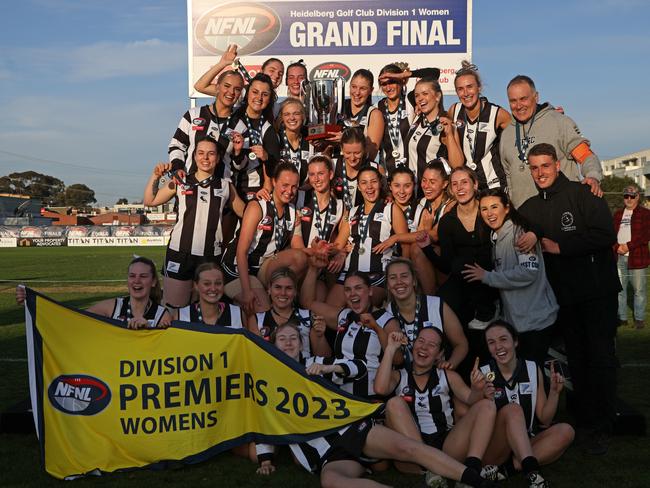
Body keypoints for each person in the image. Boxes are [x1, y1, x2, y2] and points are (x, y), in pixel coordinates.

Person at [256, 322, 496, 488]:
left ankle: (477, 481)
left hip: (349, 428)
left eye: (293, 338)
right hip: (325, 453)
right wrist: (265, 459)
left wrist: (329, 368)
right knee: (330, 482)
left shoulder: (316, 362)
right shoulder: (269, 383)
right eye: (282, 339)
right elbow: (263, 421)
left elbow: (358, 368)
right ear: (274, 344)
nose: (288, 343)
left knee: (408, 447)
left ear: (301, 343)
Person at [518, 143, 620, 455]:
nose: (540, 173)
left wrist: (562, 246)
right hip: (564, 299)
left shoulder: (583, 193)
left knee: (601, 358)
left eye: (545, 166)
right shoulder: (531, 208)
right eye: (534, 168)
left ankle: (604, 425)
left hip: (597, 293)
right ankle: (585, 421)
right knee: (577, 360)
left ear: (558, 164)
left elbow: (605, 235)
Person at [374, 328, 499, 483]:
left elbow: (471, 399)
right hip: (411, 454)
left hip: (446, 447)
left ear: (439, 355)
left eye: (432, 345)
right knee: (394, 403)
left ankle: (472, 468)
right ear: (413, 345)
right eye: (420, 341)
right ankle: (433, 468)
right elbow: (379, 389)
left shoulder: (447, 376)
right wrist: (391, 348)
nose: (424, 347)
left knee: (487, 406)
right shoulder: (399, 375)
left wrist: (477, 389)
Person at [144, 138, 246, 307]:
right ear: (194, 156)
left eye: (211, 153)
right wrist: (155, 176)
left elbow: (246, 213)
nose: (205, 158)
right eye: (201, 153)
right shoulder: (180, 181)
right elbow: (150, 200)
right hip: (179, 252)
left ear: (218, 158)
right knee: (174, 309)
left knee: (208, 311)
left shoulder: (225, 186)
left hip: (210, 256)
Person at [462, 189, 558, 366]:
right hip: (518, 323)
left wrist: (487, 277)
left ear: (506, 208)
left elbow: (528, 273)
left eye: (494, 207)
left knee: (534, 378)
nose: (489, 213)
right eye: (484, 209)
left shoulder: (519, 233)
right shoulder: (496, 237)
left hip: (536, 321)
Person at [479, 321, 574, 488]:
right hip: (495, 449)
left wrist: (554, 393)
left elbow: (544, 419)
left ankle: (508, 470)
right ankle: (532, 473)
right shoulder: (483, 373)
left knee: (566, 431)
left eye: (503, 339)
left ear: (515, 341)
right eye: (491, 342)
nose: (498, 346)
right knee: (513, 410)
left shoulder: (532, 368)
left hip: (526, 443)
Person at [425, 167, 499, 370]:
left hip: (492, 278)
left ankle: (488, 369)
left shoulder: (488, 210)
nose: (460, 188)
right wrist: (427, 250)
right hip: (462, 279)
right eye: (455, 184)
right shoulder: (448, 222)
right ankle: (456, 369)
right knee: (443, 303)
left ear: (475, 185)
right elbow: (448, 264)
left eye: (464, 182)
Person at [302, 258, 400, 399]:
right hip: (340, 396)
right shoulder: (343, 315)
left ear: (370, 291)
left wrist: (376, 328)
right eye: (348, 290)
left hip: (370, 397)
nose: (352, 294)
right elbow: (308, 303)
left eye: (358, 288)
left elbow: (398, 360)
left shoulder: (387, 320)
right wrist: (312, 268)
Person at [499, 75, 603, 208]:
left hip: (562, 213)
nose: (518, 106)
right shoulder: (507, 134)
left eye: (523, 99)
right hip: (524, 218)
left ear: (536, 97)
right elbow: (509, 177)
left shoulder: (559, 122)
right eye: (513, 101)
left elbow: (585, 155)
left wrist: (593, 176)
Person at [221, 162, 307, 315]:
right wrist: (247, 291)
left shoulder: (293, 212)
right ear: (274, 182)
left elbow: (299, 251)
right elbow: (241, 252)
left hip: (263, 269)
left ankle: (285, 297)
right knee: (262, 310)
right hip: (237, 269)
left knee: (301, 258)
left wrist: (316, 250)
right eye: (285, 185)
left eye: (294, 186)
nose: (289, 191)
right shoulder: (257, 207)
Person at [328, 165, 409, 307]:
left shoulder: (391, 208)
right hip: (350, 273)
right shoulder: (351, 212)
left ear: (380, 183)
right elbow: (339, 244)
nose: (369, 187)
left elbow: (405, 244)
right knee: (330, 311)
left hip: (377, 275)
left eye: (373, 182)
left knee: (361, 310)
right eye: (364, 183)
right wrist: (336, 251)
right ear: (358, 187)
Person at [16, 256, 171, 329]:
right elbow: (73, 319)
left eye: (143, 276)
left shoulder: (161, 315)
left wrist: (149, 330)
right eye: (132, 276)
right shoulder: (112, 307)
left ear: (154, 282)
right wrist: (31, 302)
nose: (136, 281)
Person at [383, 258, 468, 371]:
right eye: (393, 277)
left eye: (404, 276)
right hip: (402, 382)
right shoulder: (385, 314)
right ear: (388, 285)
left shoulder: (436, 305)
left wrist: (449, 366)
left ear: (414, 280)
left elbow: (461, 344)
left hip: (437, 379)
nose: (399, 282)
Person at [169, 57, 244, 176]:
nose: (231, 92)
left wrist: (238, 152)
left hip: (221, 190)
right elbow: (176, 146)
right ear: (217, 87)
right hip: (189, 186)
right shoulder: (193, 115)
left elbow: (240, 166)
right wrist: (177, 168)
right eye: (227, 86)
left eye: (237, 89)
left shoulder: (241, 125)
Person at [449, 61, 511, 190]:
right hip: (467, 188)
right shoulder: (454, 111)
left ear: (479, 87)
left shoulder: (497, 114)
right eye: (460, 89)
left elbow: (520, 130)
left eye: (470, 87)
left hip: (494, 186)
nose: (466, 93)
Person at [292, 155, 345, 301]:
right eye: (312, 175)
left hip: (320, 265)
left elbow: (340, 241)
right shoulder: (299, 197)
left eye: (321, 174)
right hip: (300, 260)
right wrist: (311, 252)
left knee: (318, 301)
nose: (316, 179)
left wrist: (341, 253)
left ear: (331, 174)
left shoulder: (340, 206)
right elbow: (294, 239)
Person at [250, 267, 331, 357]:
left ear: (295, 291)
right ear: (269, 289)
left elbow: (324, 358)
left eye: (288, 288)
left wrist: (320, 336)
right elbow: (254, 355)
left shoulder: (307, 316)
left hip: (302, 369)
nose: (283, 293)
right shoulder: (257, 319)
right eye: (278, 287)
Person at [227, 73, 281, 202]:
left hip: (255, 193)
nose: (259, 98)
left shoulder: (268, 129)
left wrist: (266, 157)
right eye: (255, 92)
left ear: (270, 99)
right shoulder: (232, 118)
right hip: (228, 188)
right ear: (247, 93)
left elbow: (275, 167)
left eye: (265, 94)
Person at [404, 77, 464, 191]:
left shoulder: (445, 124)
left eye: (425, 94)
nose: (420, 98)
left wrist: (450, 135)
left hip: (433, 192)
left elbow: (458, 165)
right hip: (413, 192)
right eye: (417, 95)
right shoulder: (417, 118)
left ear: (437, 96)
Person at [613, 184, 649, 329]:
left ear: (638, 197)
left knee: (639, 290)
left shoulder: (645, 214)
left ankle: (639, 319)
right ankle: (622, 318)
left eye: (632, 196)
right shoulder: (617, 214)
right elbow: (610, 235)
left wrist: (628, 246)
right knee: (619, 289)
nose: (628, 199)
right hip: (619, 257)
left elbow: (645, 235)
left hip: (637, 257)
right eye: (626, 196)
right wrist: (617, 247)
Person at [174, 262, 246, 328]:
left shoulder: (237, 314)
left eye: (218, 283)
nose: (213, 288)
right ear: (196, 286)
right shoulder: (181, 316)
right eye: (207, 284)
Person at [376, 63, 416, 173]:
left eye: (392, 81)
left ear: (401, 81)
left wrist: (403, 75)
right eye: (384, 84)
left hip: (412, 174)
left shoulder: (410, 101)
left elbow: (433, 74)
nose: (388, 88)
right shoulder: (376, 108)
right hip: (387, 176)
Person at [338, 69, 385, 161]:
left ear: (371, 90)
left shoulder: (374, 114)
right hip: (337, 167)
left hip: (360, 169)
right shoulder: (338, 107)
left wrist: (345, 139)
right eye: (354, 87)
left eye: (363, 88)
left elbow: (371, 154)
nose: (357, 92)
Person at [332, 128, 383, 211]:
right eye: (348, 153)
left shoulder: (375, 168)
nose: (352, 158)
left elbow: (386, 196)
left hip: (365, 220)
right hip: (339, 219)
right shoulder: (332, 164)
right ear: (341, 149)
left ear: (364, 149)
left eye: (357, 153)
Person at [275, 98, 311, 186]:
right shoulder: (276, 138)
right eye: (287, 114)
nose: (292, 118)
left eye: (296, 114)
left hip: (303, 192)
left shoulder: (310, 139)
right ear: (282, 118)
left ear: (303, 116)